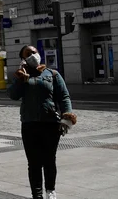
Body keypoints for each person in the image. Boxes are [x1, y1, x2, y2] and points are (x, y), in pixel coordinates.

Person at [8, 45, 78, 199]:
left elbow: (64, 96)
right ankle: (37, 195)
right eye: (28, 54)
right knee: (33, 163)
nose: (33, 55)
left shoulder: (52, 74)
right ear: (23, 59)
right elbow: (13, 95)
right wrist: (21, 79)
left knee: (49, 160)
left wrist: (66, 117)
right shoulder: (21, 75)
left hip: (50, 124)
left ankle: (50, 191)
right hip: (29, 124)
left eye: (34, 52)